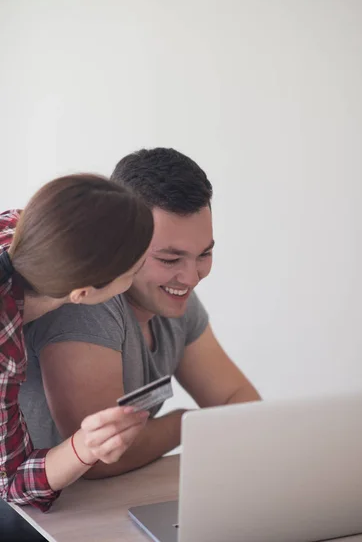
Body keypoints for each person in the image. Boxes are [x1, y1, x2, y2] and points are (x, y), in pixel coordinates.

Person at [20, 148, 261, 480]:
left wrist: (197, 422)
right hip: (38, 513)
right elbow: (104, 455)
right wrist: (185, 423)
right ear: (122, 245)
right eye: (169, 259)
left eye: (204, 254)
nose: (191, 278)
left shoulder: (176, 300)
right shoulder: (87, 306)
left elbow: (241, 403)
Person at [0, 173, 154, 511]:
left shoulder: (20, 230)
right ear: (82, 294)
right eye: (134, 270)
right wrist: (85, 447)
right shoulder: (4, 355)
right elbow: (10, 481)